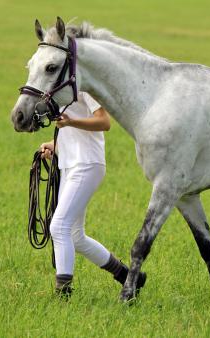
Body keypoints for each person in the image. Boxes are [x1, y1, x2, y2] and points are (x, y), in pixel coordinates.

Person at [39, 91, 145, 296]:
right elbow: (74, 136)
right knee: (76, 237)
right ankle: (129, 277)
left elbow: (104, 122)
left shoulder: (85, 89)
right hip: (70, 165)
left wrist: (70, 122)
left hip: (87, 164)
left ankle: (63, 294)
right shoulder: (61, 91)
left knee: (59, 227)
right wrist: (55, 147)